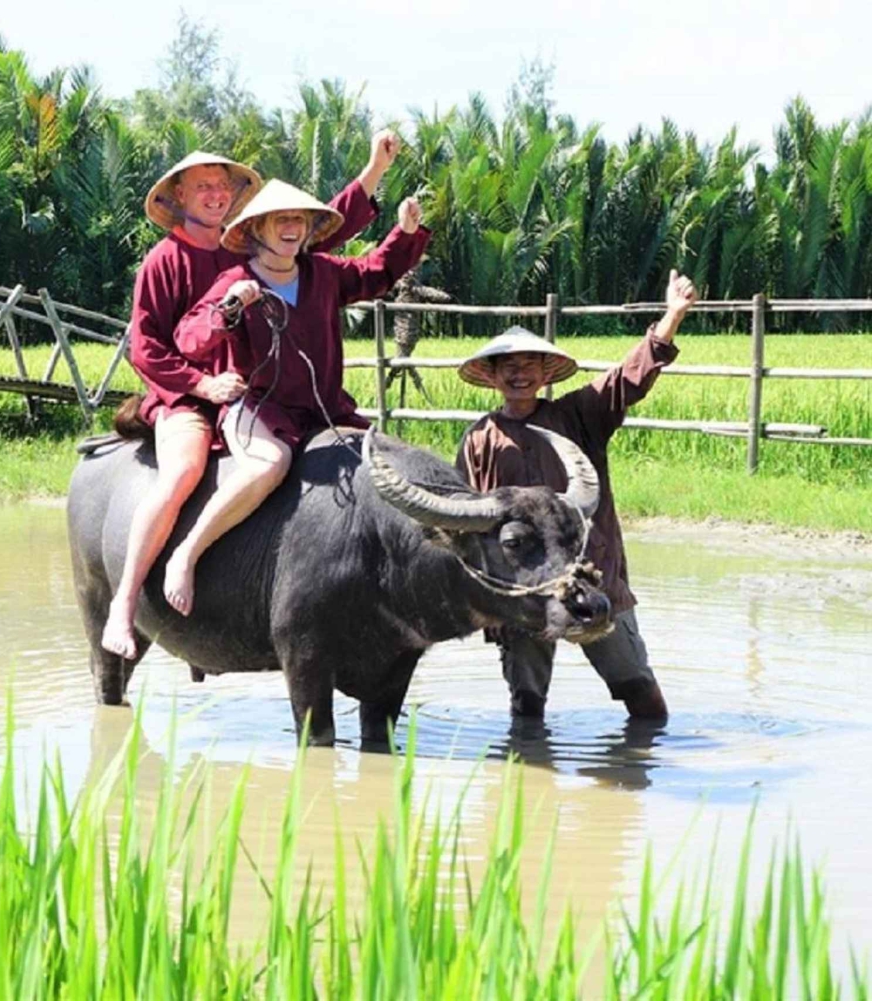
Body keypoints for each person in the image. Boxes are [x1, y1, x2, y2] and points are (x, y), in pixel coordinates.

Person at [100, 133, 403, 659]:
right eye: (202, 187)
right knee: (183, 473)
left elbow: (321, 229)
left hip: (259, 387)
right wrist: (200, 385)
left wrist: (375, 169)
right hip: (192, 395)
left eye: (222, 186)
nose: (215, 194)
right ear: (179, 196)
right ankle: (124, 605)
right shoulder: (164, 261)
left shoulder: (253, 247)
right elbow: (147, 347)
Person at [164, 180, 431, 614]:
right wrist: (230, 308)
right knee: (271, 464)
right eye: (280, 219)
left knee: (384, 461)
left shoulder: (323, 273)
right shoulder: (235, 280)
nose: (291, 226)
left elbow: (377, 272)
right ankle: (187, 553)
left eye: (299, 219)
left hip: (324, 410)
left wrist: (404, 231)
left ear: (309, 229)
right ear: (258, 229)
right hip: (258, 409)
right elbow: (189, 340)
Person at [455, 269, 700, 720]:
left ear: (546, 373)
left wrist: (672, 316)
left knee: (639, 694)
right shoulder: (479, 440)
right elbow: (467, 523)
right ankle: (530, 777)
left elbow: (628, 379)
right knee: (526, 707)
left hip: (593, 576)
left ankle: (642, 764)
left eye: (530, 364)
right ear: (491, 377)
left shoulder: (579, 415)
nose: (519, 373)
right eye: (507, 366)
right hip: (524, 592)